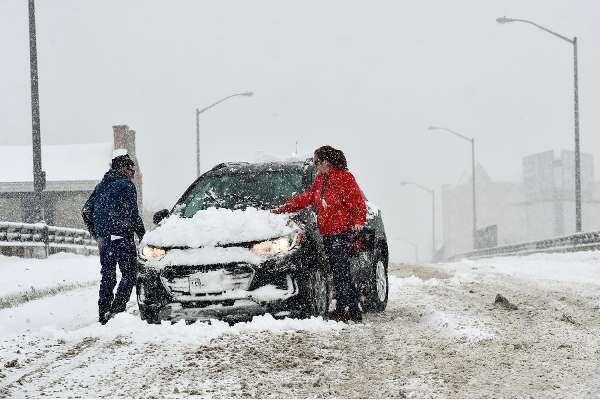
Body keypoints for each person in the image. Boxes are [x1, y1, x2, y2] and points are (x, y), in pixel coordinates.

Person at [273, 145, 366, 322]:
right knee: (341, 271)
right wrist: (283, 208)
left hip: (343, 232)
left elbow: (357, 202)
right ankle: (353, 308)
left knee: (341, 271)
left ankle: (343, 309)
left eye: (317, 162)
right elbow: (308, 197)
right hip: (329, 233)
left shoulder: (345, 178)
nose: (316, 166)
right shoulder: (321, 179)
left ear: (326, 161)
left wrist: (359, 222)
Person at [82, 151, 145, 325]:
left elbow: (86, 211)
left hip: (104, 240)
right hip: (121, 236)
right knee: (130, 273)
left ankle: (103, 312)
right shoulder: (126, 186)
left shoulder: (100, 186)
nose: (133, 172)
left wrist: (97, 234)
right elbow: (133, 215)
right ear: (122, 168)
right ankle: (117, 310)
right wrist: (143, 235)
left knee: (108, 275)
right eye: (131, 168)